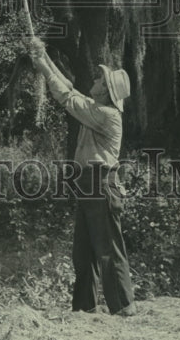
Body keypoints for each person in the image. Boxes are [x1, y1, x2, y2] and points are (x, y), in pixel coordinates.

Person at [30, 37, 136, 317]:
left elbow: (66, 97)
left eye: (101, 81)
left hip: (101, 183)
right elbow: (69, 88)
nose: (96, 80)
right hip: (89, 184)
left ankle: (124, 306)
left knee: (108, 250)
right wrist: (44, 56)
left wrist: (42, 66)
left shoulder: (106, 114)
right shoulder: (95, 108)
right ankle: (84, 308)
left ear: (107, 93)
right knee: (84, 252)